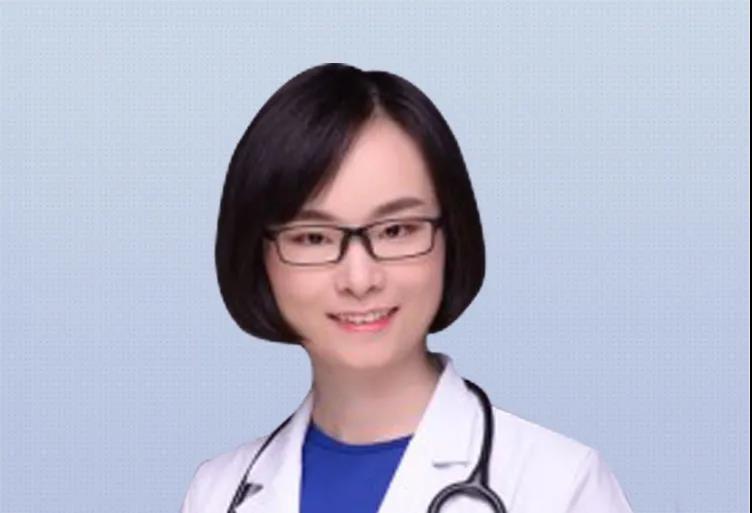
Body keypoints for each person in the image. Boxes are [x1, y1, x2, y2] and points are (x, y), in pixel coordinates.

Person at [180, 63, 634, 513]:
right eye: (314, 237)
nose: (360, 280)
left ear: (452, 236)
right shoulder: (217, 494)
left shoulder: (559, 487)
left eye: (396, 231)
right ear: (257, 256)